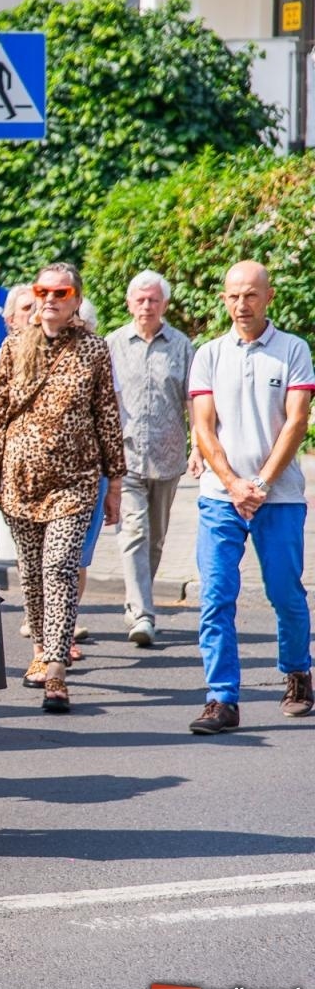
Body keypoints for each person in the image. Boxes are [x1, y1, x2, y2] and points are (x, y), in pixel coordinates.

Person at [0, 263, 124, 715]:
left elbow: (108, 417)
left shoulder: (94, 350)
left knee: (59, 567)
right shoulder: (15, 346)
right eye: (43, 291)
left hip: (75, 482)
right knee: (33, 571)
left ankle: (56, 666)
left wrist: (114, 482)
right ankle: (41, 645)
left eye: (62, 292)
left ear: (76, 299)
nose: (51, 299)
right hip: (19, 480)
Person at [187, 260, 314, 733]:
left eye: (251, 295)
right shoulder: (210, 354)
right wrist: (233, 482)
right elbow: (202, 426)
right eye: (234, 295)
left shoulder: (292, 351)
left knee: (285, 594)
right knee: (216, 597)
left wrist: (259, 484)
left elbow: (297, 422)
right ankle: (221, 698)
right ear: (224, 300)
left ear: (269, 297)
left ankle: (297, 672)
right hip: (220, 497)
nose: (242, 304)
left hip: (277, 498)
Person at [107, 271, 194, 649]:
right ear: (129, 303)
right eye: (140, 300)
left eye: (153, 300)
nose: (146, 306)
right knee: (135, 533)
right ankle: (142, 613)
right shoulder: (112, 344)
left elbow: (194, 401)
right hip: (124, 458)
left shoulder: (181, 345)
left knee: (155, 540)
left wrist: (202, 450)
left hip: (168, 455)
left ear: (164, 304)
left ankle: (138, 599)